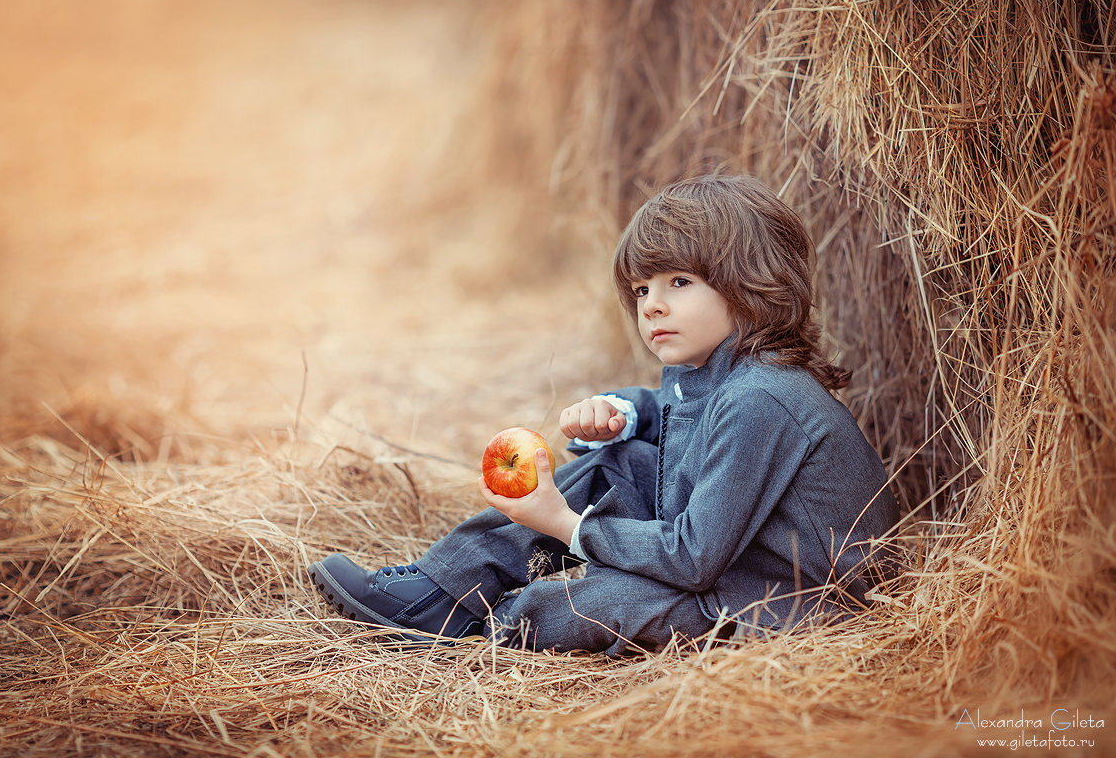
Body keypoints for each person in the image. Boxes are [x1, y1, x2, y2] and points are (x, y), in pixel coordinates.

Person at [309, 173, 900, 656]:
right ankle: (440, 592)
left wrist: (567, 525)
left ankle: (486, 622)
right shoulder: (729, 377)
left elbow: (692, 559)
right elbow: (677, 413)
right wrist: (622, 412)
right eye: (641, 291)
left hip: (780, 604)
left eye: (678, 281)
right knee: (615, 463)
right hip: (737, 565)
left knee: (575, 605)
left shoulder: (763, 398)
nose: (654, 306)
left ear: (752, 283)